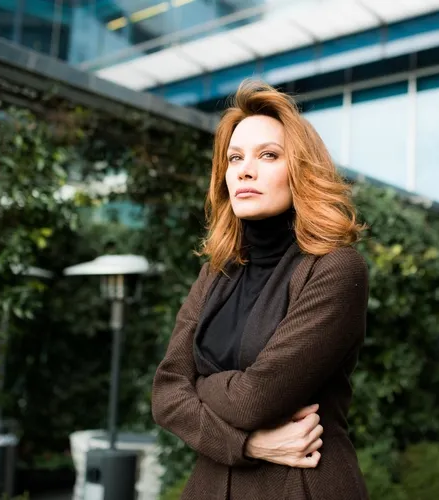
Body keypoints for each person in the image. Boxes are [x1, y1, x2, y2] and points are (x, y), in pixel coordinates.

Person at [151, 79, 369, 500]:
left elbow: (254, 400)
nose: (244, 170)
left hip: (300, 483)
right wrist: (247, 445)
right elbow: (165, 394)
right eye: (235, 158)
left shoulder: (336, 269)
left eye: (268, 155)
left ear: (301, 170)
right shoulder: (215, 274)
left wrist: (200, 384)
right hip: (209, 486)